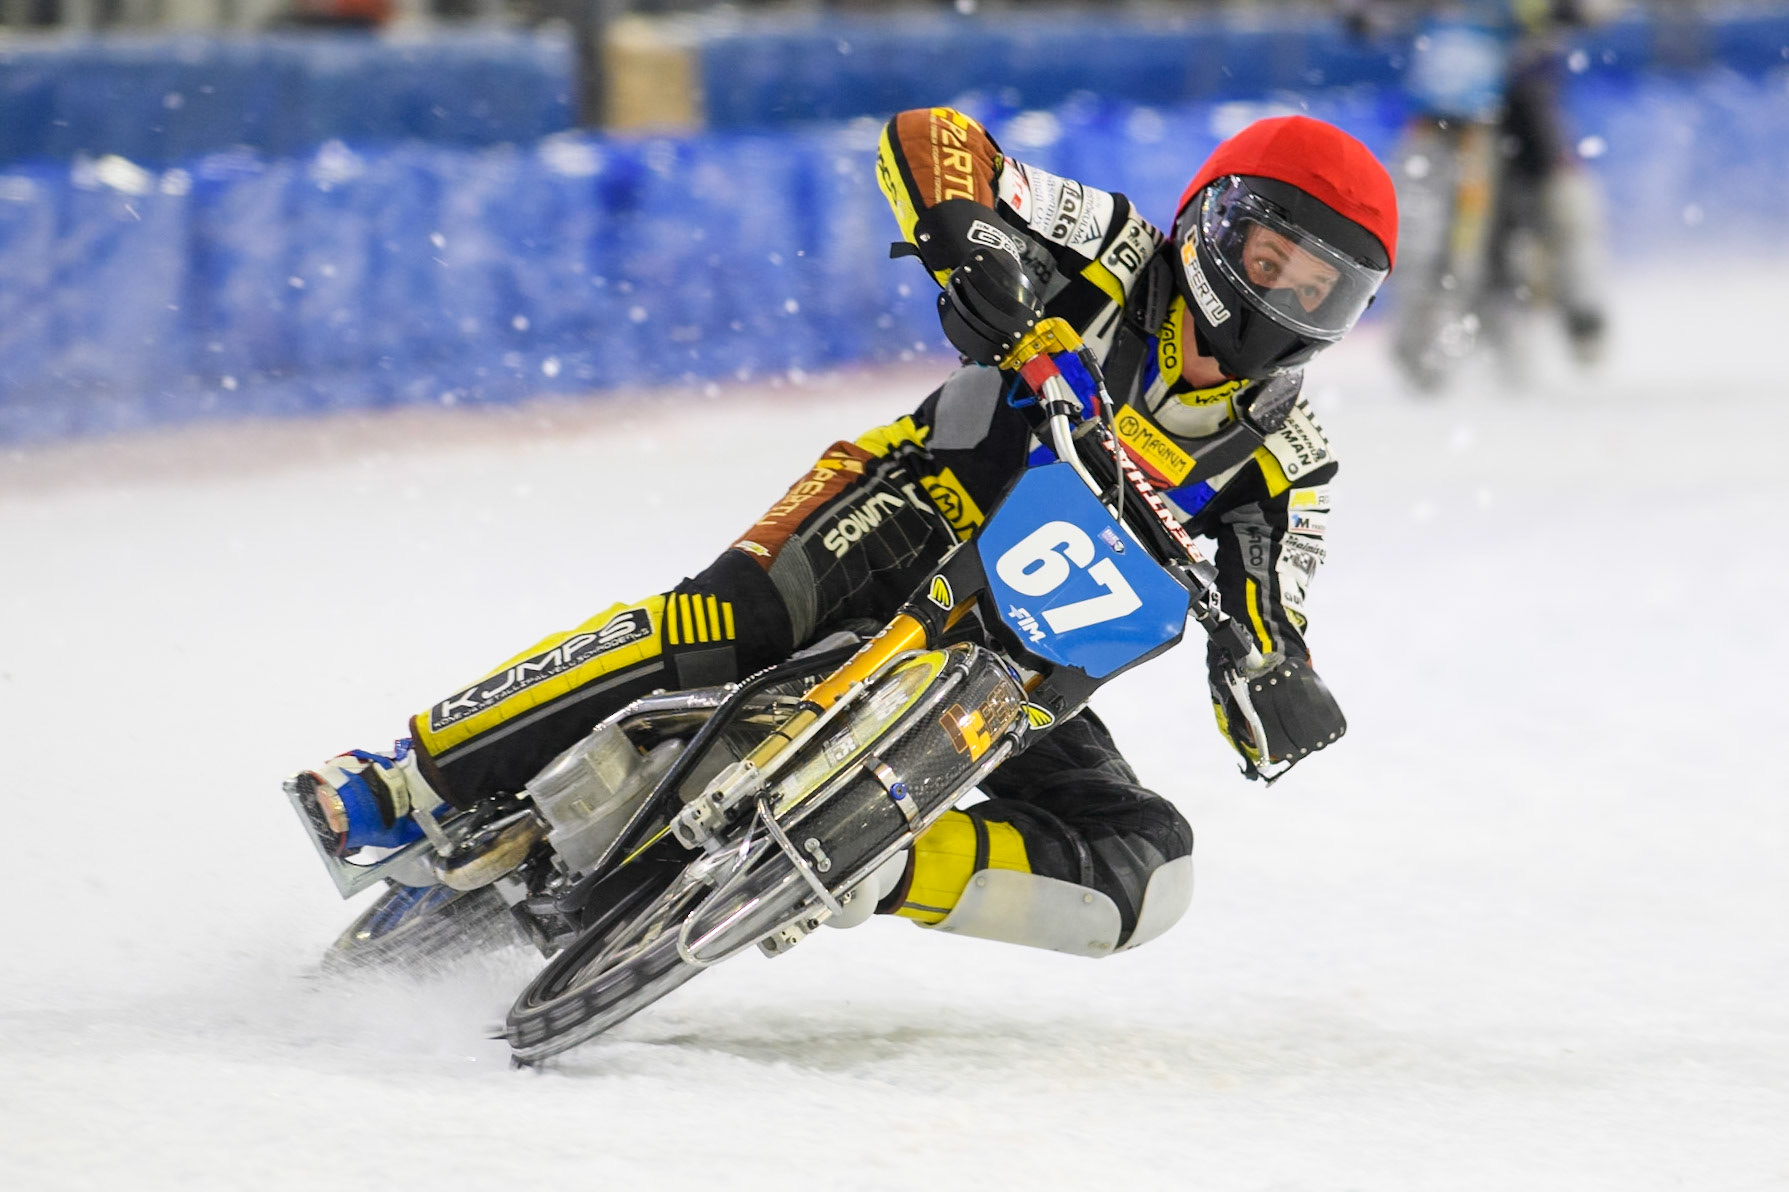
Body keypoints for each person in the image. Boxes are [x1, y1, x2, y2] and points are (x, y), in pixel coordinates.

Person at [295, 108, 1397, 956]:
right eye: (1269, 264)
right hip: (909, 507)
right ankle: (410, 778)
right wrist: (966, 240)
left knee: (1147, 873)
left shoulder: (1292, 460)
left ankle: (867, 862)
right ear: (1212, 225)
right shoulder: (1114, 244)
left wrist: (1274, 684)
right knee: (722, 621)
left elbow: (1268, 613)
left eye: (1320, 292)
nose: (1282, 306)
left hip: (1024, 659)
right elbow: (934, 142)